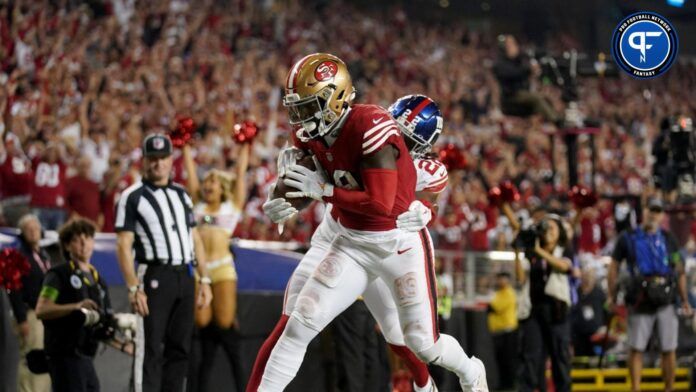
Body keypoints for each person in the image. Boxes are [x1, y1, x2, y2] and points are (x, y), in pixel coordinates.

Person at [256, 53, 487, 391]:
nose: (399, 141)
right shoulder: (325, 130)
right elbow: (312, 179)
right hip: (348, 237)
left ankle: (469, 371)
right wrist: (284, 190)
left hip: (397, 245)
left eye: (407, 139)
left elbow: (385, 202)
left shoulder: (392, 143)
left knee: (421, 342)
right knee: (300, 323)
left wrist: (425, 209)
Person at [115, 134, 212, 392]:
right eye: (153, 159)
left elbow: (195, 239)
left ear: (171, 160)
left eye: (163, 158)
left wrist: (204, 279)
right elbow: (123, 244)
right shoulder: (132, 196)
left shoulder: (182, 194)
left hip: (185, 275)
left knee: (180, 348)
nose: (158, 164)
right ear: (145, 161)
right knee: (150, 348)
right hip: (154, 274)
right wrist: (134, 287)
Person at [182, 140, 250, 391]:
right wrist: (186, 147)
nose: (208, 185)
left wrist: (246, 145)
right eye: (206, 181)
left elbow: (241, 173)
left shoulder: (231, 207)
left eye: (213, 182)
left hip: (223, 270)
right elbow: (191, 175)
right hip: (200, 270)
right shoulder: (196, 206)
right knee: (201, 322)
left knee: (222, 322)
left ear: (222, 188)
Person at [607, 197, 691, 392]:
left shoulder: (669, 238)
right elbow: (613, 266)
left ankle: (668, 388)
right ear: (643, 211)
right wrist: (611, 295)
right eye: (650, 209)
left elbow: (679, 269)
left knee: (669, 349)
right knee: (636, 348)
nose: (653, 214)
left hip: (666, 297)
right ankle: (635, 388)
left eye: (658, 211)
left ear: (662, 215)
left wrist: (684, 299)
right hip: (640, 298)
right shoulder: (628, 237)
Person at [35, 219, 112, 392]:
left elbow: (101, 323)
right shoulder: (58, 275)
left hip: (86, 357)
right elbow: (42, 310)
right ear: (67, 246)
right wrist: (76, 306)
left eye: (88, 238)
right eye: (77, 240)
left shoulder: (99, 280)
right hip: (64, 355)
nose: (84, 244)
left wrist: (125, 345)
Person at [516, 215, 574, 392]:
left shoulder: (563, 250)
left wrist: (538, 251)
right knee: (531, 358)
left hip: (556, 311)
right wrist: (517, 251)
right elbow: (520, 278)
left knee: (560, 359)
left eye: (552, 228)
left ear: (560, 233)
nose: (548, 232)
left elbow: (564, 267)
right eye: (545, 228)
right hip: (534, 310)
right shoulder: (531, 253)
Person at [8, 214, 52, 392]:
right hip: (30, 315)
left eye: (35, 228)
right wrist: (21, 319)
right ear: (22, 234)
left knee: (44, 359)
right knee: (31, 358)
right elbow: (14, 290)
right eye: (28, 229)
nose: (33, 232)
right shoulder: (19, 256)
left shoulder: (43, 255)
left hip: (45, 315)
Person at [492, 35, 560, 123]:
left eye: (514, 44)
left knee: (546, 99)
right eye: (510, 45)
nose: (514, 47)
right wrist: (529, 69)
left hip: (524, 94)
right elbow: (513, 73)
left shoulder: (520, 59)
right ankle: (556, 121)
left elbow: (528, 63)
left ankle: (553, 120)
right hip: (511, 96)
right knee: (536, 98)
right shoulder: (500, 63)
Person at [487, 271, 518, 391]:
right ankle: (504, 384)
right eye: (499, 279)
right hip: (499, 332)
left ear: (508, 280)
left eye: (503, 279)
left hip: (508, 332)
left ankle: (511, 384)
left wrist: (491, 305)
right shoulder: (499, 293)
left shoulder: (509, 293)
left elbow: (494, 307)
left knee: (508, 360)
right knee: (500, 360)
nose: (500, 281)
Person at [570, 268, 606, 357]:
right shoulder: (576, 293)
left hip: (597, 335)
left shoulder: (599, 293)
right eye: (586, 275)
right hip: (578, 336)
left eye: (591, 276)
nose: (588, 278)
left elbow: (606, 311)